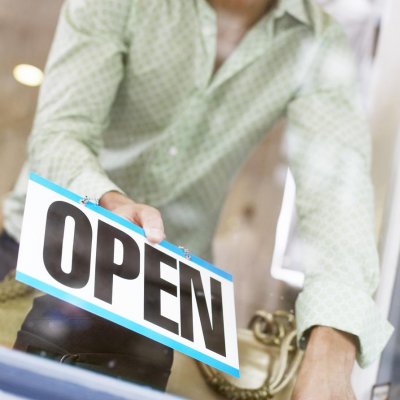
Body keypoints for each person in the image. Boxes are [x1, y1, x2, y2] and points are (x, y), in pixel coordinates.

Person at [0, 0, 393, 397]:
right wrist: (108, 202)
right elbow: (60, 132)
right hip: (36, 252)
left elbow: (337, 197)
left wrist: (332, 343)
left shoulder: (318, 40)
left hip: (166, 289)